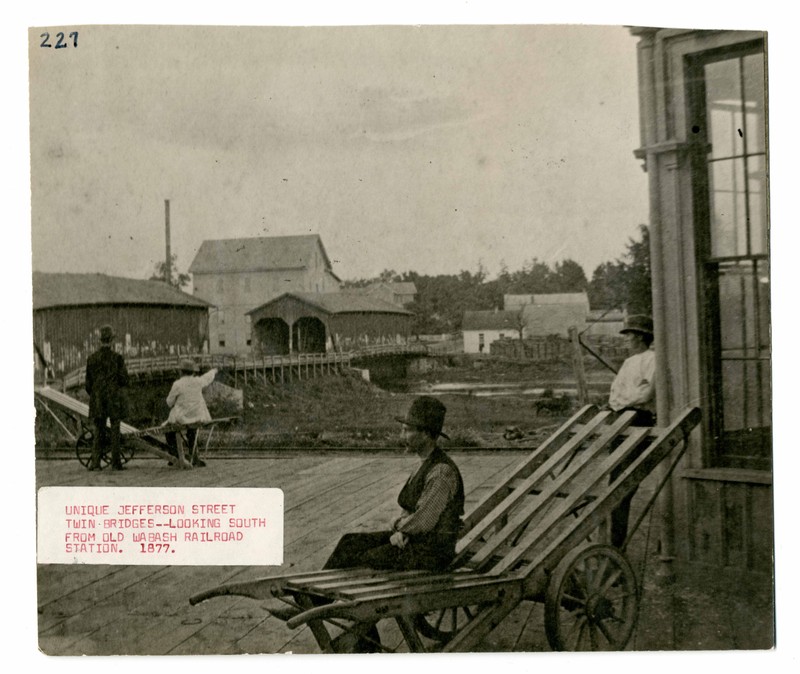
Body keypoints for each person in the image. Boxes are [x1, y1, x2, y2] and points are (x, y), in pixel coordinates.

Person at [269, 396, 465, 651]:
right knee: (350, 542)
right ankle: (315, 601)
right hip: (413, 541)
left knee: (366, 559)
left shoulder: (441, 472)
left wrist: (400, 529)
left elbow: (424, 521)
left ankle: (328, 613)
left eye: (407, 430)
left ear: (426, 435)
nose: (401, 434)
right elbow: (411, 514)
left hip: (430, 553)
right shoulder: (424, 465)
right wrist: (401, 527)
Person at [606, 314, 656, 548]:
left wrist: (624, 401)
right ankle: (612, 540)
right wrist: (621, 402)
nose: (626, 340)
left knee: (625, 483)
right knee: (613, 480)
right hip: (621, 418)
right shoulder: (628, 363)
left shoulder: (651, 359)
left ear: (639, 337)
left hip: (639, 419)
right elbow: (614, 394)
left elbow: (645, 394)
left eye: (629, 336)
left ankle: (617, 543)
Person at [85, 325, 129, 471]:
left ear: (100, 341)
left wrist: (97, 394)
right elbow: (124, 380)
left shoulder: (91, 359)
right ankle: (116, 463)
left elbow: (87, 385)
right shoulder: (118, 359)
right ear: (111, 341)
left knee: (98, 430)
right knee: (115, 430)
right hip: (113, 399)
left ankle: (95, 463)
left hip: (98, 399)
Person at [163, 359, 218, 467]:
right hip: (197, 416)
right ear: (193, 372)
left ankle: (175, 456)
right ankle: (194, 457)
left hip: (181, 418)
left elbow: (169, 402)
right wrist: (214, 371)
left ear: (181, 371)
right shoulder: (198, 381)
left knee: (168, 431)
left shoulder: (177, 384)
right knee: (192, 432)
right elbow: (207, 378)